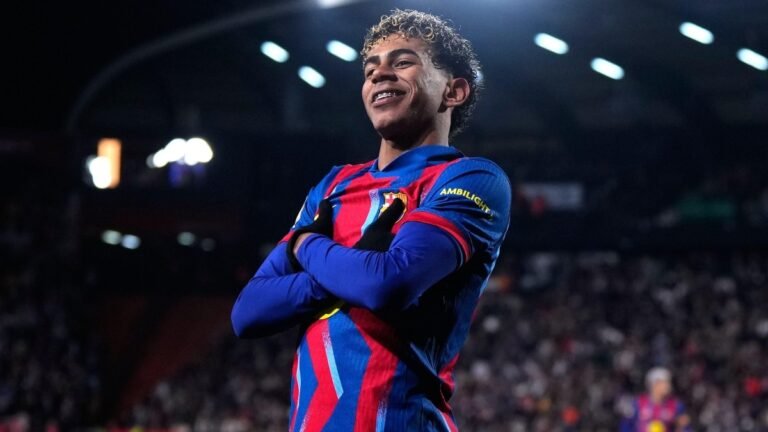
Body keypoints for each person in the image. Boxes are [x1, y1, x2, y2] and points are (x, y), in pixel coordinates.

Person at [231, 9, 511, 431]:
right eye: (370, 69)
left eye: (402, 62)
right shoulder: (334, 185)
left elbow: (387, 284)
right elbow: (248, 312)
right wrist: (348, 270)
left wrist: (307, 246)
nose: (380, 74)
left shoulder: (470, 178)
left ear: (453, 92)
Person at [620, 367, 692, 432]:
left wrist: (681, 426)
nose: (668, 386)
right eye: (665, 382)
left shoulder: (676, 405)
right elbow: (626, 425)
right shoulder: (638, 403)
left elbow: (686, 427)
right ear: (655, 384)